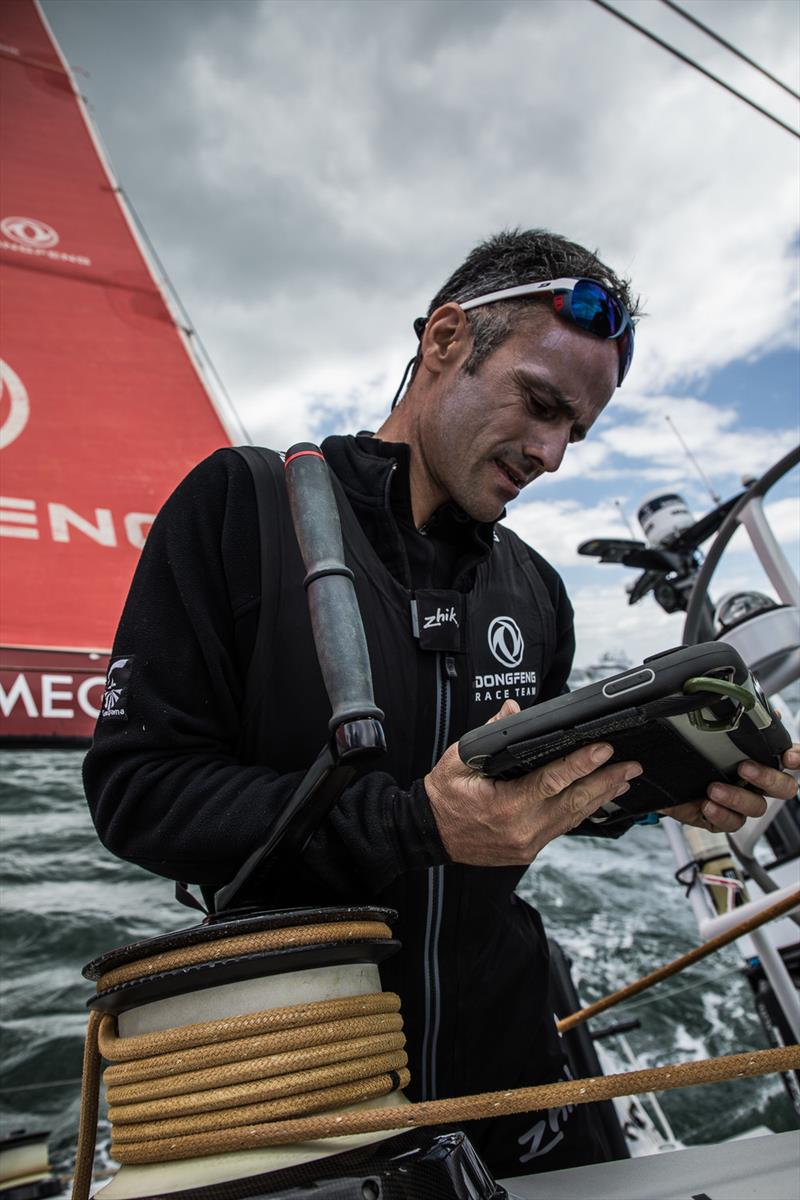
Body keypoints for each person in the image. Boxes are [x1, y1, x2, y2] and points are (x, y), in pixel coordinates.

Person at [83, 228, 800, 1177]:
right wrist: (414, 822)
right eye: (540, 405)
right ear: (446, 339)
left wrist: (653, 787)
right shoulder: (240, 507)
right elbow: (139, 793)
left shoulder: (534, 590)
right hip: (313, 1085)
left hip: (519, 1063)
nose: (551, 453)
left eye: (574, 432)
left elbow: (520, 797)